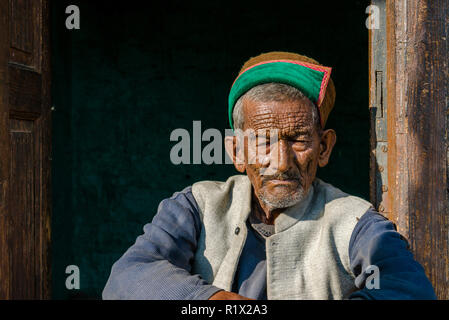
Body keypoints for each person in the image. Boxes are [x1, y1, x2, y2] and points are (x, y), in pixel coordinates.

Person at [102, 51, 436, 300]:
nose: (281, 161)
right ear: (236, 151)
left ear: (324, 148)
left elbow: (409, 291)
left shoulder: (354, 222)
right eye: (262, 141)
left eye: (298, 139)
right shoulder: (198, 205)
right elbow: (127, 279)